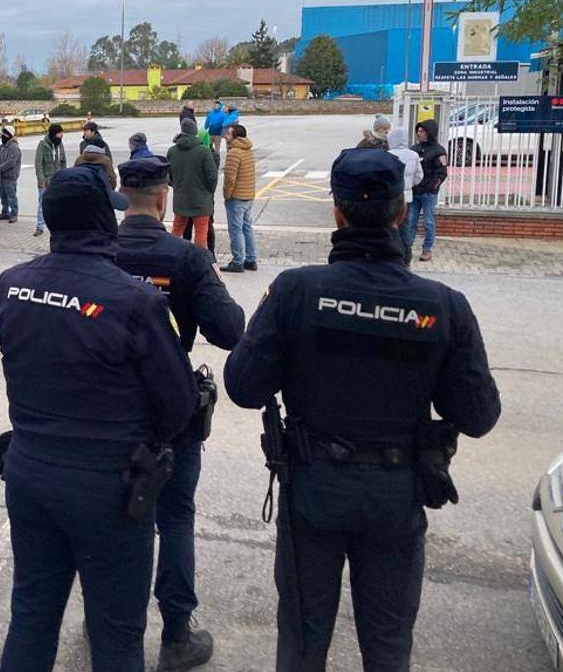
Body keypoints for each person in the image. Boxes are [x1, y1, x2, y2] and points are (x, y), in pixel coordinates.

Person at [224, 148, 500, 672]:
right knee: (388, 646)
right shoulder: (443, 305)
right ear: (401, 213)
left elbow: (243, 385)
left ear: (336, 212)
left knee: (302, 647)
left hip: (313, 492)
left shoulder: (296, 291)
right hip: (396, 497)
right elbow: (480, 414)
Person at [0, 166, 197, 672]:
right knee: (117, 632)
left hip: (31, 468)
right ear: (102, 220)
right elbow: (177, 406)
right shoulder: (136, 299)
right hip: (108, 485)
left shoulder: (11, 284)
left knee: (32, 615)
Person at [116, 156, 246, 672]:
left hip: (109, 405)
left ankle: (112, 616)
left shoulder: (99, 250)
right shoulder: (186, 258)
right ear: (164, 197)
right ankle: (175, 633)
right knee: (174, 519)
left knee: (119, 518)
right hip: (169, 408)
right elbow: (231, 330)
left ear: (123, 195)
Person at [166, 117, 218, 251]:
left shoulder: (172, 151)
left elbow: (167, 174)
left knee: (177, 230)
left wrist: (176, 185)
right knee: (201, 233)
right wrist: (209, 191)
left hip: (181, 198)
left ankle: (173, 255)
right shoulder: (204, 151)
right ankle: (199, 260)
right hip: (201, 199)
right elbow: (212, 176)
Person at [406, 119, 448, 263]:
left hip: (428, 194)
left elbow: (441, 173)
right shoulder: (414, 149)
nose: (419, 133)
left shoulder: (439, 151)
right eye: (418, 131)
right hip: (414, 192)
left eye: (422, 131)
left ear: (430, 132)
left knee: (429, 222)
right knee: (411, 221)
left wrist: (431, 187)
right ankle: (407, 248)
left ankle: (427, 249)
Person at [220, 123, 258, 273]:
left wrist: (227, 194)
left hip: (237, 196)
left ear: (235, 136)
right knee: (247, 228)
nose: (225, 136)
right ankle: (251, 259)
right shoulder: (247, 149)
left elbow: (230, 177)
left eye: (228, 134)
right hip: (248, 194)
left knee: (235, 229)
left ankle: (237, 261)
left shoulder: (234, 152)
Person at [387, 127, 424, 266]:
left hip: (391, 196)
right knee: (404, 226)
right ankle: (406, 255)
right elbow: (419, 176)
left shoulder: (389, 155)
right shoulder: (413, 155)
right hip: (406, 197)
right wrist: (409, 186)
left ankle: (391, 253)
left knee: (390, 225)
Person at [33, 123, 66, 237]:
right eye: (59, 133)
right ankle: (40, 226)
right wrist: (41, 181)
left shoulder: (60, 145)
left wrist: (63, 176)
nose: (61, 136)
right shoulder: (42, 145)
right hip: (45, 180)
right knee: (42, 204)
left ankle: (58, 226)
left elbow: (63, 161)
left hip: (57, 180)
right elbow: (38, 164)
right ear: (53, 134)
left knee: (58, 204)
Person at [0, 126, 21, 224]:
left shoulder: (14, 147)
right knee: (3, 196)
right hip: (2, 176)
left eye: (4, 134)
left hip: (10, 176)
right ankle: (5, 212)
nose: (2, 136)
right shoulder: (3, 146)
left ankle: (14, 214)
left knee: (11, 196)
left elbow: (11, 162)